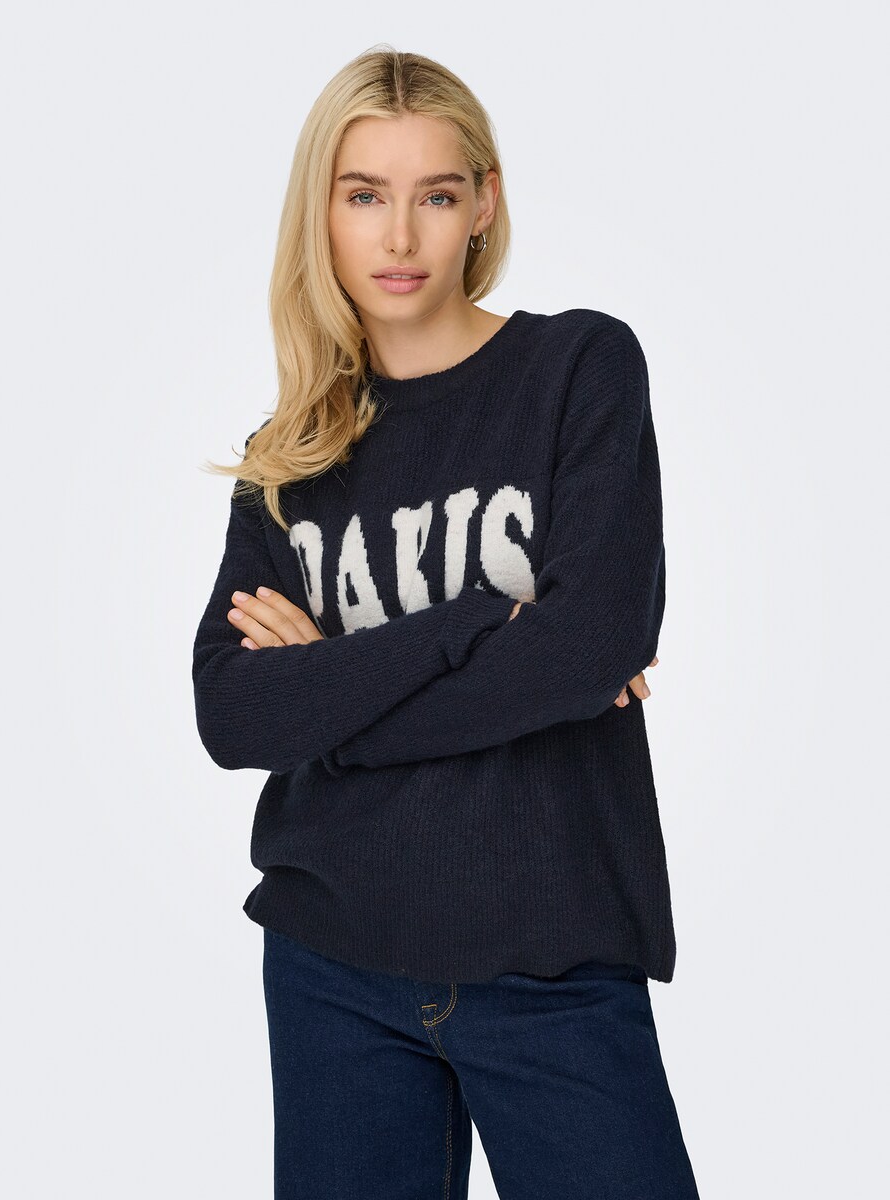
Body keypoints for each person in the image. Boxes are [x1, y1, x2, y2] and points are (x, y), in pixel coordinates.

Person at [192, 45, 701, 1200]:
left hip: (553, 956)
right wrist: (478, 624)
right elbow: (232, 713)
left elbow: (591, 644)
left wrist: (332, 695)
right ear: (321, 213)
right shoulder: (290, 453)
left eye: (434, 194)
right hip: (330, 963)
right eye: (363, 195)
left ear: (484, 203)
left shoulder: (580, 366)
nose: (399, 235)